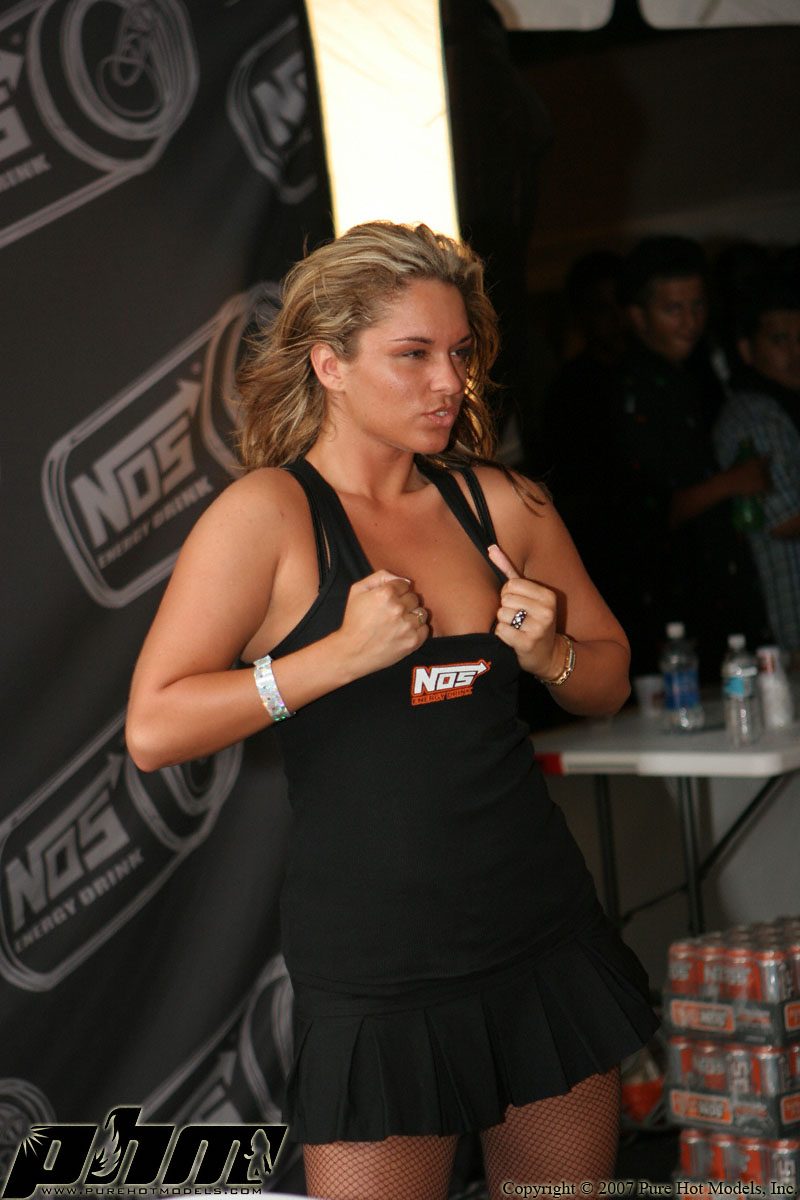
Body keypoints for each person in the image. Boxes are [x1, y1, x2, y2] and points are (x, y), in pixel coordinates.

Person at [126, 221, 658, 1200]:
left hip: (539, 927)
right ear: (328, 364)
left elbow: (608, 677)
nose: (447, 382)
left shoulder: (501, 504)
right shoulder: (266, 516)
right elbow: (154, 728)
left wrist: (550, 653)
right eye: (412, 354)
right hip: (378, 965)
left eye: (458, 352)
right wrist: (330, 659)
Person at [611, 235, 768, 679]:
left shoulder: (692, 374)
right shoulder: (632, 389)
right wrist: (733, 481)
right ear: (638, 316)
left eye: (697, 306)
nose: (690, 322)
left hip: (710, 587)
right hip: (672, 601)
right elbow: (647, 511)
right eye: (673, 309)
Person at [713, 279, 800, 667]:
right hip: (788, 624)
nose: (796, 352)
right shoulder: (757, 415)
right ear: (747, 349)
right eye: (780, 340)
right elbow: (784, 519)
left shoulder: (783, 406)